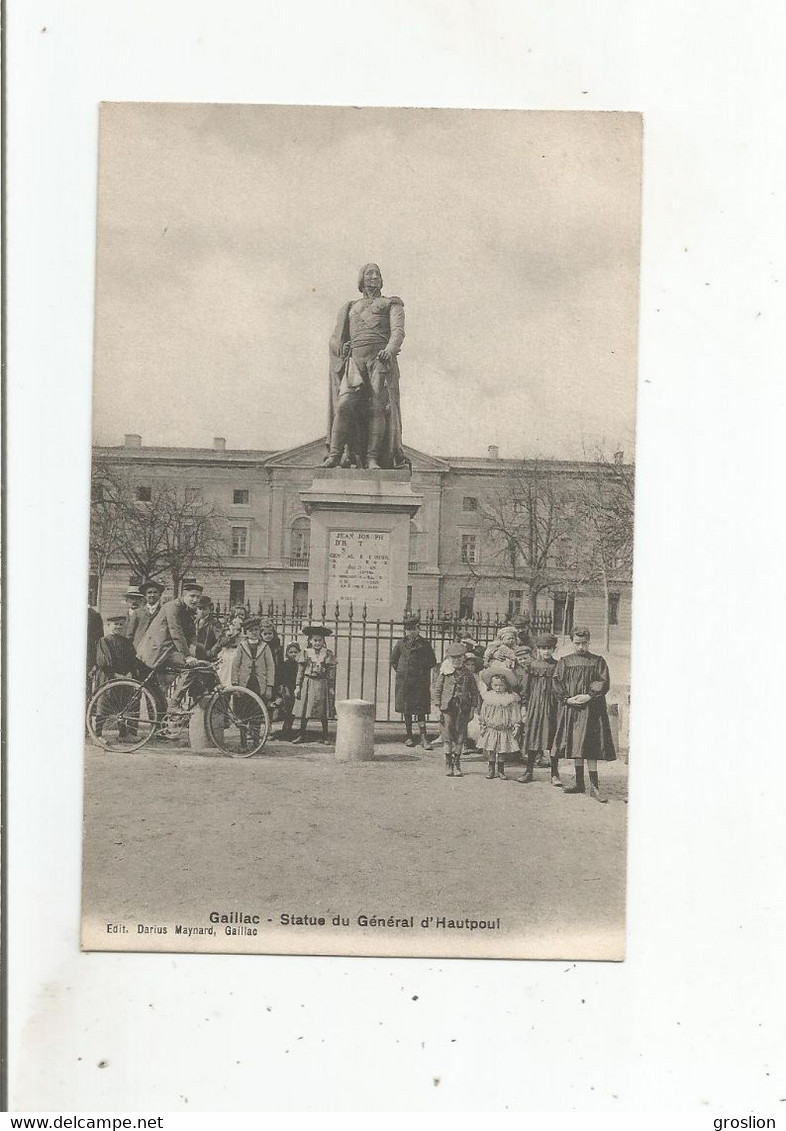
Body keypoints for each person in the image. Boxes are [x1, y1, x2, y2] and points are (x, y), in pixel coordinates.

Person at [324, 262, 409, 470]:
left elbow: (398, 332)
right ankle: (335, 455)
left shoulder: (391, 304)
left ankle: (372, 458)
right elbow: (335, 339)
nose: (374, 276)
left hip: (379, 361)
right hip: (355, 362)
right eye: (369, 273)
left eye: (377, 273)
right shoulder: (350, 307)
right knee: (344, 405)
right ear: (361, 280)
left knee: (377, 408)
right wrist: (341, 347)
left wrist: (389, 350)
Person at [553, 627, 616, 803]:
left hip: (592, 709)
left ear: (589, 642)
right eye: (577, 643)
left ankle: (595, 787)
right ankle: (579, 783)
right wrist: (567, 699)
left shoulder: (597, 661)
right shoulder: (565, 661)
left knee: (591, 745)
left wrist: (589, 695)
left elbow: (603, 681)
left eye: (584, 643)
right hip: (573, 709)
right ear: (572, 642)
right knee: (576, 744)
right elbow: (557, 682)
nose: (581, 647)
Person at [136, 580, 203, 712]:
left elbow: (192, 634)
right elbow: (175, 631)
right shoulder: (173, 607)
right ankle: (175, 705)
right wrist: (188, 656)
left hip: (167, 651)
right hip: (157, 651)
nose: (195, 600)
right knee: (190, 669)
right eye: (192, 596)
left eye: (198, 597)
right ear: (184, 595)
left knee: (159, 695)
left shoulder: (189, 610)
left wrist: (193, 650)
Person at [519, 632, 561, 786]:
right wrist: (524, 707)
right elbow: (525, 688)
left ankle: (555, 774)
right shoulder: (531, 666)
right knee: (533, 736)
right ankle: (528, 771)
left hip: (552, 707)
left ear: (554, 649)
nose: (546, 651)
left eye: (549, 648)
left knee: (552, 739)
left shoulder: (558, 665)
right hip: (535, 706)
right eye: (543, 648)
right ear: (538, 649)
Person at [433, 642, 480, 777]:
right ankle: (448, 763)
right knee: (447, 735)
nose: (456, 660)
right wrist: (437, 708)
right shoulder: (445, 672)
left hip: (463, 709)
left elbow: (474, 692)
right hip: (447, 708)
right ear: (449, 659)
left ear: (463, 658)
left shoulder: (468, 673)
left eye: (459, 657)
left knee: (460, 736)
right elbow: (437, 690)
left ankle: (457, 763)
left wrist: (472, 709)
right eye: (453, 658)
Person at [391, 614, 438, 749]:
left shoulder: (425, 644)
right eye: (408, 629)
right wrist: (402, 672)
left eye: (413, 629)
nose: (411, 632)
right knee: (407, 709)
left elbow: (432, 662)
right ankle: (409, 735)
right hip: (405, 683)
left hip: (420, 683)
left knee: (421, 710)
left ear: (418, 629)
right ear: (405, 630)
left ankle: (423, 737)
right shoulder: (400, 644)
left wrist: (420, 671)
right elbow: (394, 661)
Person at [230, 617, 276, 751]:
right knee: (242, 714)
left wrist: (269, 686)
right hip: (244, 685)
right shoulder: (241, 646)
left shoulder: (265, 647)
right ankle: (243, 743)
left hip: (258, 685)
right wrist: (235, 684)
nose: (254, 633)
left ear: (260, 631)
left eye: (256, 630)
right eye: (251, 630)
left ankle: (256, 743)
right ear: (246, 632)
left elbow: (270, 667)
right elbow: (235, 666)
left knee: (257, 713)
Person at [92, 615, 139, 737]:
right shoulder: (104, 641)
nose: (118, 627)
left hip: (124, 679)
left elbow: (132, 660)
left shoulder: (127, 642)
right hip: (108, 677)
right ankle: (98, 735)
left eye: (121, 625)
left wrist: (129, 673)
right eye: (115, 624)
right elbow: (103, 661)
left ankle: (123, 735)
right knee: (104, 704)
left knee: (122, 706)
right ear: (109, 626)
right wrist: (115, 674)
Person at [292, 626, 337, 744]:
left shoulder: (327, 654)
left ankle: (325, 735)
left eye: (320, 640)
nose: (317, 643)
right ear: (310, 641)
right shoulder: (306, 653)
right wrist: (297, 686)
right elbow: (300, 671)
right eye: (315, 640)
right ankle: (301, 734)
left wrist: (331, 687)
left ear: (323, 641)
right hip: (308, 683)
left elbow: (331, 673)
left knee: (323, 711)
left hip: (322, 683)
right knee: (305, 710)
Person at [477, 664, 521, 780]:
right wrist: (482, 725)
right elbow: (483, 712)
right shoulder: (489, 698)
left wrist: (516, 725)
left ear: (506, 686)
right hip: (492, 729)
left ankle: (501, 770)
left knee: (502, 750)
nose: (498, 688)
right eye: (495, 685)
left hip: (504, 729)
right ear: (491, 685)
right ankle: (491, 769)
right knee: (491, 750)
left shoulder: (510, 698)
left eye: (501, 685)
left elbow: (515, 713)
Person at [125, 580, 165, 651]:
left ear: (159, 595)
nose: (152, 595)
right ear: (145, 596)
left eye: (155, 592)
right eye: (149, 593)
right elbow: (130, 634)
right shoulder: (138, 612)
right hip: (138, 649)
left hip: (157, 650)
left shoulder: (164, 612)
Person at [276, 642, 302, 740]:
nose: (293, 654)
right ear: (287, 653)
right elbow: (281, 677)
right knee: (287, 709)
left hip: (296, 689)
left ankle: (288, 729)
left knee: (293, 711)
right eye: (291, 652)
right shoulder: (285, 664)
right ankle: (285, 730)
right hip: (287, 689)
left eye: (296, 652)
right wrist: (283, 688)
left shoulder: (300, 664)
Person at [216, 606, 247, 687]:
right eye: (237, 615)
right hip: (230, 651)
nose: (239, 617)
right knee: (227, 672)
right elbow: (223, 642)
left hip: (242, 651)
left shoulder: (246, 627)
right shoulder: (229, 627)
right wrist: (234, 633)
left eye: (242, 615)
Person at [194, 595, 223, 660]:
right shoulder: (194, 622)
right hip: (194, 655)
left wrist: (210, 653)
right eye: (199, 609)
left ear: (210, 609)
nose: (201, 612)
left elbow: (219, 641)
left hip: (206, 657)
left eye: (204, 609)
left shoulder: (215, 624)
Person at [86, 604, 104, 700]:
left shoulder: (94, 615)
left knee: (86, 683)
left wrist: (96, 661)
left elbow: (99, 639)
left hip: (88, 655)